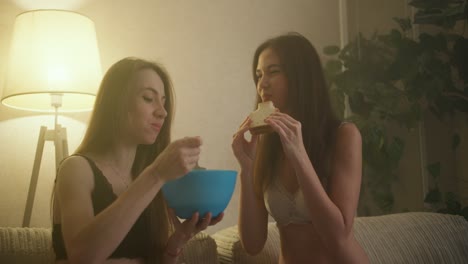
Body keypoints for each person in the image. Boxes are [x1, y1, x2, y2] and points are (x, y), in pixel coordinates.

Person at [52, 57, 223, 264]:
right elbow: (82, 257)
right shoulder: (76, 169)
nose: (162, 112)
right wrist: (156, 174)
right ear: (116, 102)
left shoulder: (148, 180)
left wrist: (177, 242)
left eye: (163, 101)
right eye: (148, 99)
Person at [232, 32, 369, 263]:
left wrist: (299, 156)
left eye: (273, 72)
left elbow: (338, 237)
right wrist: (247, 169)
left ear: (301, 77)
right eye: (259, 75)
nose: (262, 84)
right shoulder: (267, 144)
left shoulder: (344, 135)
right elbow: (252, 244)